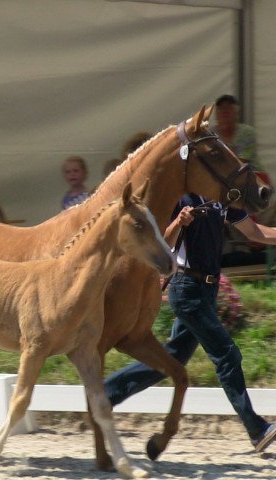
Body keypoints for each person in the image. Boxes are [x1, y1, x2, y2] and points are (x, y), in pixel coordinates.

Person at [104, 193, 276, 453]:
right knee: (227, 355)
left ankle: (107, 393)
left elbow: (255, 232)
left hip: (207, 290)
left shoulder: (221, 198)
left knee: (174, 357)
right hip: (186, 288)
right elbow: (161, 243)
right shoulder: (181, 199)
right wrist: (179, 223)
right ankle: (256, 429)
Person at [214, 94, 264, 172]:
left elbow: (242, 162)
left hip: (253, 177)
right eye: (221, 108)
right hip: (223, 178)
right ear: (216, 114)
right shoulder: (211, 135)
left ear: (236, 113)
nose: (225, 112)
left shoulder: (247, 133)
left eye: (229, 108)